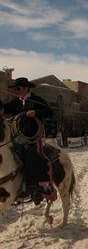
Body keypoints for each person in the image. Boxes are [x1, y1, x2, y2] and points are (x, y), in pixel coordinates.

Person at [2, 77, 53, 205]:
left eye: (18, 89)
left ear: (26, 88)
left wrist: (36, 113)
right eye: (15, 89)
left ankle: (35, 189)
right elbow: (3, 109)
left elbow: (49, 112)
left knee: (31, 157)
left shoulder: (37, 100)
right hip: (17, 139)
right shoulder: (15, 103)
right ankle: (13, 188)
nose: (16, 91)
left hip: (32, 139)